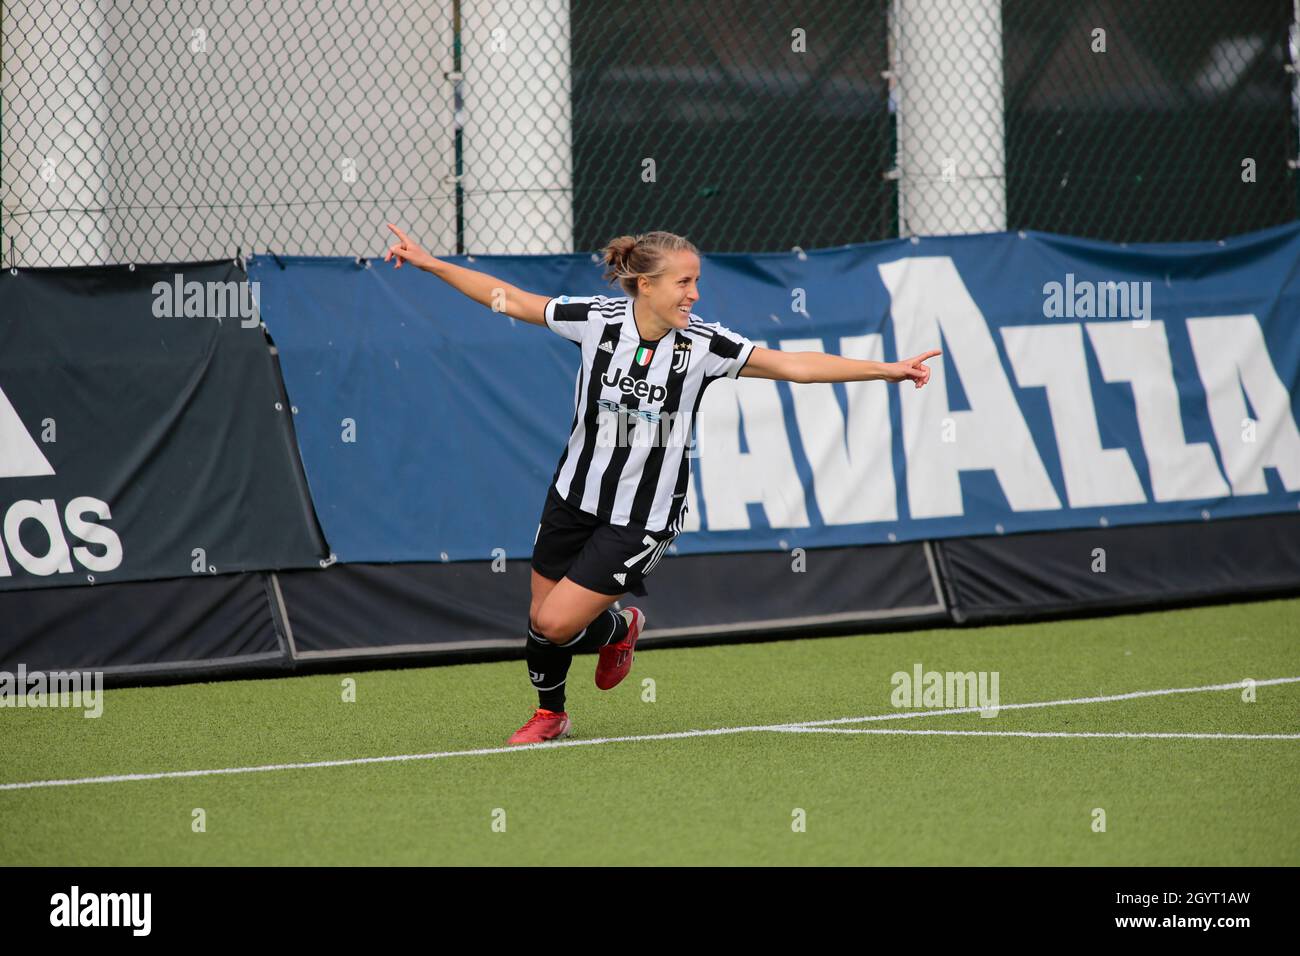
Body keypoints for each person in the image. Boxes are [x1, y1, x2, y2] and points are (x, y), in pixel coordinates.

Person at [383, 225, 939, 745]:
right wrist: (431, 263)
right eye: (684, 282)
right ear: (645, 285)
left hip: (642, 515)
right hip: (573, 495)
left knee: (554, 623)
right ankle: (552, 713)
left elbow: (793, 365)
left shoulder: (704, 346)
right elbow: (507, 297)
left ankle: (619, 627)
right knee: (540, 620)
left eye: (697, 281)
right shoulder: (596, 319)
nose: (694, 293)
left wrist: (887, 370)